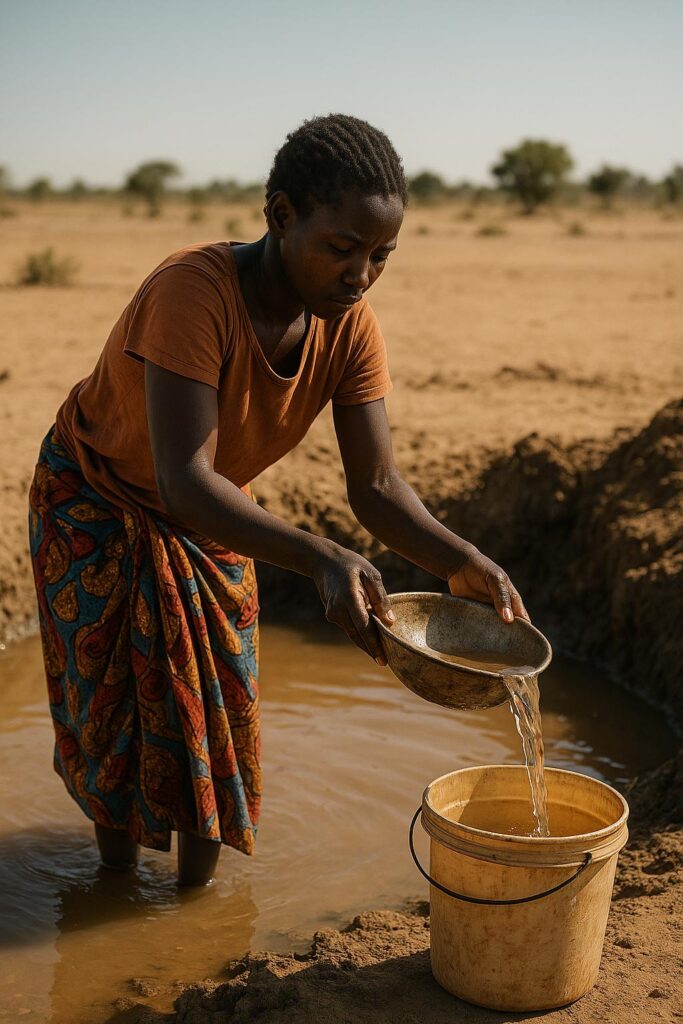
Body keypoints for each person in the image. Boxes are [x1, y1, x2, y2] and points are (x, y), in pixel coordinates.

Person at [28, 113, 528, 887]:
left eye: (380, 256)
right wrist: (319, 556)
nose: (360, 274)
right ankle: (117, 881)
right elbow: (182, 479)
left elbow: (377, 486)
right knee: (112, 714)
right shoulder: (191, 294)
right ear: (280, 215)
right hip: (98, 499)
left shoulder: (350, 327)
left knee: (221, 707)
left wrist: (463, 563)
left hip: (214, 511)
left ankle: (195, 897)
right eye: (341, 249)